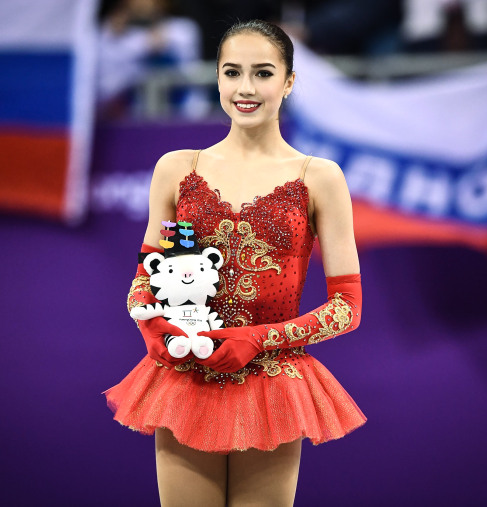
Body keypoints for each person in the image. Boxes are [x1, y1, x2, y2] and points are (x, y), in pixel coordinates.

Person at [103, 19, 365, 506]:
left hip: (271, 382)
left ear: (288, 81)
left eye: (263, 73)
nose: (246, 88)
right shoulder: (177, 168)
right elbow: (146, 278)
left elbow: (347, 306)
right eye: (232, 72)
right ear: (217, 78)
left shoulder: (319, 177)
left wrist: (257, 339)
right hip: (185, 377)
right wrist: (152, 326)